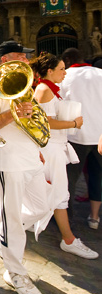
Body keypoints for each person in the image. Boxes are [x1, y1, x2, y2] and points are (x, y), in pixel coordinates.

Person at [0, 40, 49, 294]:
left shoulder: (23, 81)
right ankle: (15, 272)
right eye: (22, 56)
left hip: (29, 156)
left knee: (43, 207)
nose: (27, 61)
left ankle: (1, 233)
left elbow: (27, 119)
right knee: (14, 220)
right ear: (5, 60)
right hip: (8, 160)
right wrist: (11, 114)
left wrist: (31, 127)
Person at [30, 52, 98, 259]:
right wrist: (73, 123)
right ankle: (68, 239)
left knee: (55, 194)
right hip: (51, 148)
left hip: (56, 147)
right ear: (49, 71)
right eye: (61, 69)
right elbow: (45, 122)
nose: (64, 72)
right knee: (59, 194)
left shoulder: (50, 89)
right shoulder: (44, 90)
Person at [60, 47, 102, 231]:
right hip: (99, 134)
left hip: (76, 135)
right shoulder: (100, 73)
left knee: (70, 177)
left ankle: (67, 216)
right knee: (98, 176)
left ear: (67, 60)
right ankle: (94, 216)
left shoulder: (66, 76)